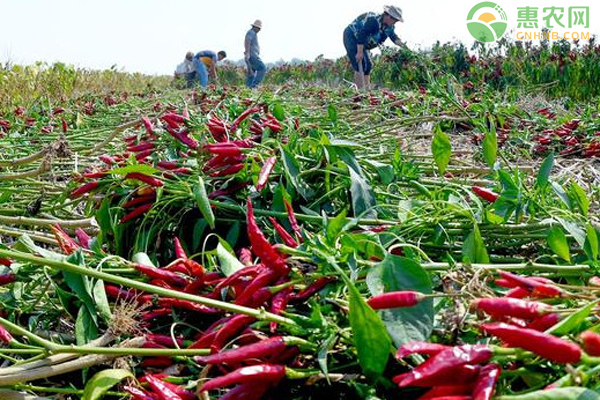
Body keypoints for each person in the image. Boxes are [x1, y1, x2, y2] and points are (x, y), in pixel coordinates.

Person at [343, 5, 404, 90]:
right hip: (352, 36)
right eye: (395, 19)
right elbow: (362, 34)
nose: (395, 22)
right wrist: (359, 52)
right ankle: (360, 90)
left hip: (362, 42)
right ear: (387, 16)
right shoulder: (373, 20)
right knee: (360, 63)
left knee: (368, 65)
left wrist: (404, 47)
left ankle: (366, 90)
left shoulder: (389, 27)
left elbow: (394, 37)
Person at [244, 20, 266, 88]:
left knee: (251, 73)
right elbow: (247, 41)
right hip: (252, 55)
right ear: (256, 27)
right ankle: (254, 86)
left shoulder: (252, 33)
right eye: (259, 28)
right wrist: (247, 53)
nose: (259, 30)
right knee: (262, 68)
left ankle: (248, 88)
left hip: (252, 54)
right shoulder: (251, 32)